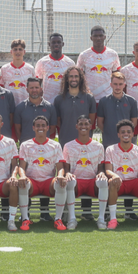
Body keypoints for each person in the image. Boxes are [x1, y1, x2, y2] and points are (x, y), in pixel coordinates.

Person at [54, 65, 97, 222]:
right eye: (70, 77)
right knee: (67, 176)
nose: (73, 79)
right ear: (66, 79)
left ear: (81, 79)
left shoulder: (89, 98)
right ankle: (65, 211)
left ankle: (87, 210)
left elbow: (92, 120)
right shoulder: (59, 99)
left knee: (87, 173)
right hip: (66, 142)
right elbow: (58, 122)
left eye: (76, 77)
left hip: (86, 145)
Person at [97, 71, 138, 220]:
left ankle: (129, 209)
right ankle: (109, 210)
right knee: (111, 174)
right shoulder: (103, 101)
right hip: (109, 141)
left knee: (128, 174)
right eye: (115, 84)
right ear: (111, 84)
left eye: (120, 84)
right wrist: (110, 133)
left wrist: (126, 136)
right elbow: (100, 122)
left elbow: (134, 121)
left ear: (124, 85)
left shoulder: (132, 101)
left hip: (127, 144)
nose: (117, 86)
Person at [102, 120, 138, 230]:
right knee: (111, 182)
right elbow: (108, 170)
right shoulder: (110, 149)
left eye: (128, 132)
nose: (125, 134)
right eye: (122, 132)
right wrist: (114, 176)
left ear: (133, 134)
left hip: (134, 182)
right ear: (118, 134)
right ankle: (113, 219)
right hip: (119, 182)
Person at [17, 115, 67, 230]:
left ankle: (58, 219)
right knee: (23, 183)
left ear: (48, 128)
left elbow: (60, 167)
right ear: (33, 128)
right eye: (38, 125)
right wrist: (23, 176)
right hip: (32, 181)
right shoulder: (25, 145)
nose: (41, 128)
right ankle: (25, 219)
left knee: (61, 183)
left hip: (48, 182)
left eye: (43, 125)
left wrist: (60, 175)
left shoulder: (55, 145)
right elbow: (22, 166)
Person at [60, 115, 108, 230]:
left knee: (103, 182)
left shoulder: (98, 146)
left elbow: (101, 167)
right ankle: (72, 219)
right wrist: (67, 173)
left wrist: (101, 173)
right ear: (76, 126)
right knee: (70, 181)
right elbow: (66, 167)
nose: (83, 126)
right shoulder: (68, 146)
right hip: (76, 181)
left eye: (86, 124)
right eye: (81, 124)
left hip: (92, 181)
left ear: (91, 126)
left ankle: (101, 219)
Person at [76, 25, 121, 103]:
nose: (98, 38)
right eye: (95, 36)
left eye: (100, 35)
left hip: (108, 97)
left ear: (105, 37)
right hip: (89, 97)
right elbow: (79, 76)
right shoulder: (84, 55)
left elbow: (117, 76)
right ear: (91, 38)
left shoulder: (113, 54)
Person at [35, 33, 75, 104]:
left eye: (58, 42)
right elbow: (37, 84)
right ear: (49, 44)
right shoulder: (42, 62)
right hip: (47, 103)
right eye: (53, 42)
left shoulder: (70, 63)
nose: (56, 44)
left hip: (65, 102)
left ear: (63, 44)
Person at [14, 78, 57, 143]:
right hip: (26, 147)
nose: (34, 90)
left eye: (37, 87)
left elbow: (52, 128)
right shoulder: (20, 107)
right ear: (27, 90)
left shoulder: (50, 107)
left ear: (41, 89)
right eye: (31, 88)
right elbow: (17, 130)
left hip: (44, 146)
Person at [0, 39, 36, 106]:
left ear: (24, 52)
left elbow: (34, 89)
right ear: (11, 52)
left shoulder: (30, 69)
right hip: (8, 106)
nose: (18, 51)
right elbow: (0, 88)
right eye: (15, 49)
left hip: (26, 106)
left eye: (20, 49)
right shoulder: (4, 69)